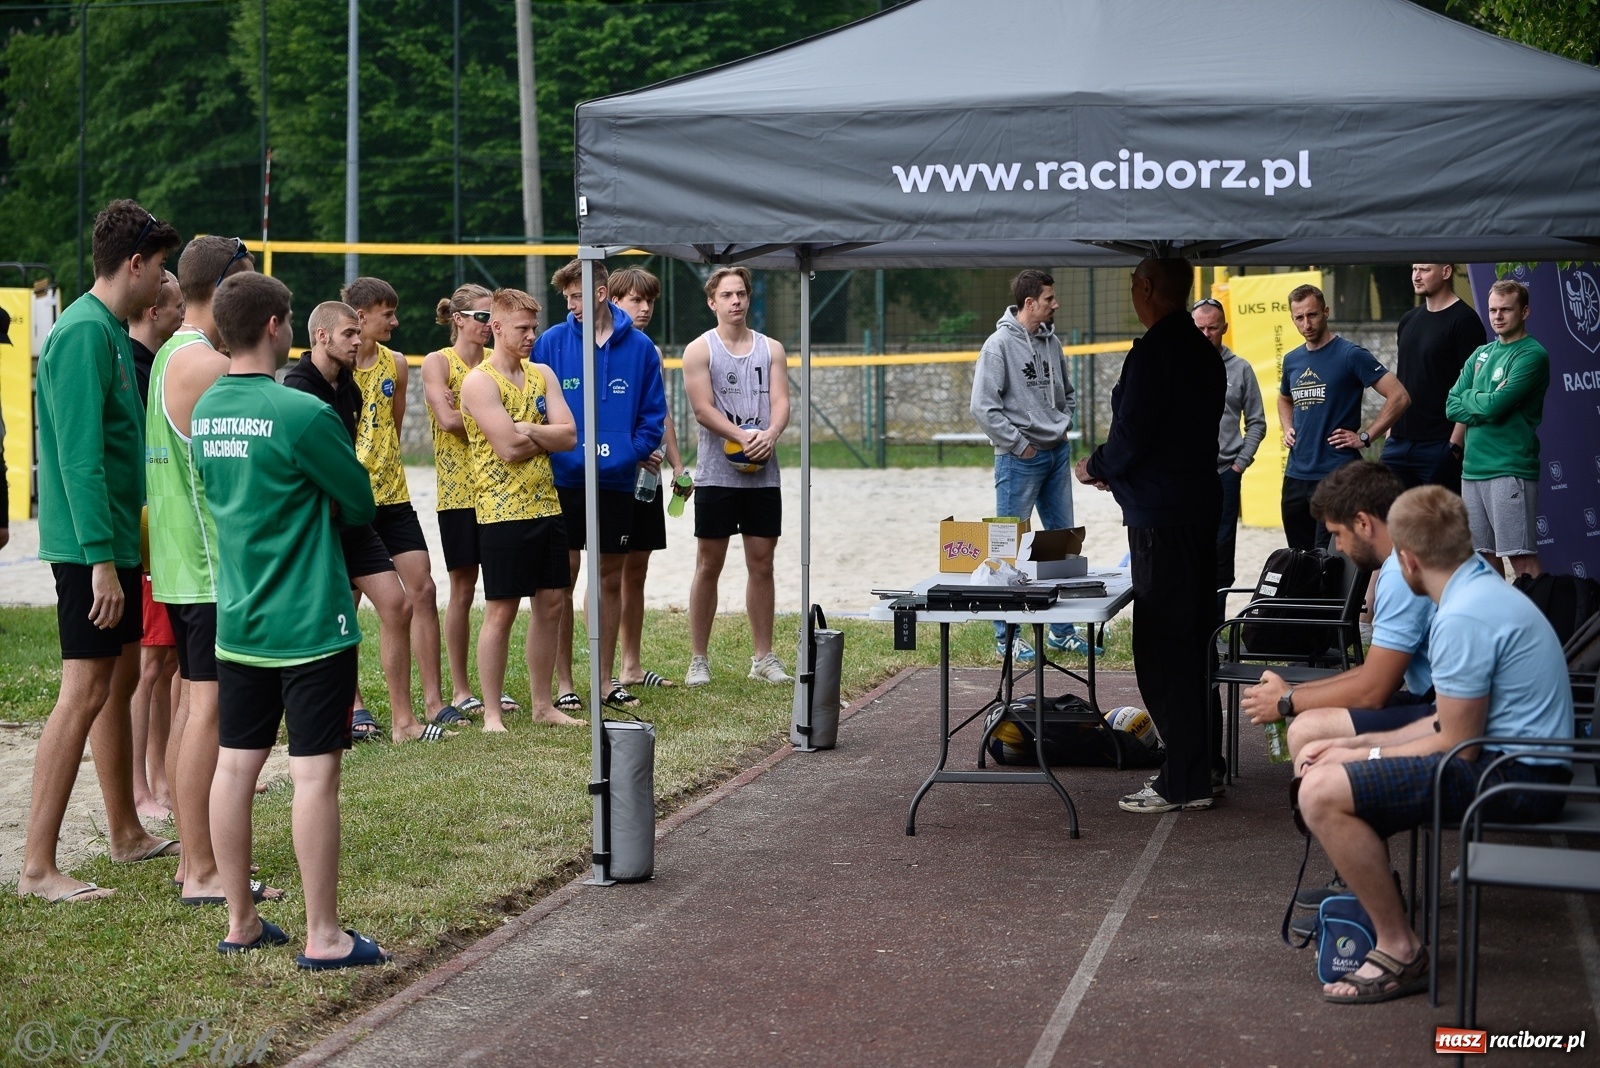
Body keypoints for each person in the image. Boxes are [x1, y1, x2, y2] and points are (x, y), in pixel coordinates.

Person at [1297, 485, 1573, 1003]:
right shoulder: (1475, 590)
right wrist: (1357, 747)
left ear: (1406, 559)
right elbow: (1445, 724)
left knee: (1321, 792)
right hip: (1509, 761)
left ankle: (1400, 950)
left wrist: (1362, 756)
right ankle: (1377, 914)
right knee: (1333, 766)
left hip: (1520, 779)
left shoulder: (1463, 616)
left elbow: (1457, 746)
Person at [194, 271, 389, 967]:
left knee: (234, 768)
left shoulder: (207, 410)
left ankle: (240, 922)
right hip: (309, 621)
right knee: (314, 776)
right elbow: (360, 502)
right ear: (276, 327)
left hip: (239, 619)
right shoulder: (300, 412)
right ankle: (324, 936)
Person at [20, 199, 182, 903]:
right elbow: (78, 459)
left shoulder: (111, 331)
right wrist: (100, 563)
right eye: (161, 267)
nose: (165, 281)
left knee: (116, 684)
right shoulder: (82, 333)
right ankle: (36, 868)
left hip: (114, 541)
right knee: (84, 690)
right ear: (134, 264)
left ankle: (125, 832)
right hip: (89, 552)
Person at [147, 235, 281, 905]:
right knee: (207, 711)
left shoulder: (173, 352)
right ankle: (201, 868)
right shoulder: (203, 363)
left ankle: (191, 858)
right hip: (204, 564)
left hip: (183, 561)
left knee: (193, 707)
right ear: (226, 287)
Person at [1076, 257, 1224, 812]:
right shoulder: (1205, 351)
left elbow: (1132, 435)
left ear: (1145, 287)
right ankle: (1204, 765)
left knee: (1164, 648)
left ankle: (1184, 779)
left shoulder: (1155, 351)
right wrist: (1118, 469)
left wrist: (1096, 466)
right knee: (1194, 639)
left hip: (1161, 516)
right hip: (1196, 506)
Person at [285, 302, 448, 742]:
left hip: (354, 517)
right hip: (318, 522)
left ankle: (405, 723)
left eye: (359, 333)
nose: (358, 341)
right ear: (321, 337)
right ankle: (341, 715)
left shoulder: (350, 387)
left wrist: (349, 500)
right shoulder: (298, 389)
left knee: (398, 605)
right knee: (331, 619)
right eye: (348, 334)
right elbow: (294, 461)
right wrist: (325, 499)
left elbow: (346, 456)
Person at [537, 260, 668, 710]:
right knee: (563, 579)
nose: (571, 305)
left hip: (616, 481)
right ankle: (565, 684)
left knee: (610, 578)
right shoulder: (551, 343)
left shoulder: (642, 347)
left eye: (577, 296)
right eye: (567, 298)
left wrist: (630, 452)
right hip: (564, 478)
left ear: (599, 293)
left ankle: (606, 679)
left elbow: (653, 415)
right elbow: (536, 405)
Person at [1240, 462, 1435, 755]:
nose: (1339, 547)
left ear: (1363, 523)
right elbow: (1377, 676)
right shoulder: (1410, 553)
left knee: (1308, 733)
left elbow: (1374, 691)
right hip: (1438, 701)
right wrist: (1294, 692)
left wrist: (1287, 699)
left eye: (1338, 534)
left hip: (1447, 713)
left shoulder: (1400, 574)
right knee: (1311, 725)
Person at [460, 288, 582, 731]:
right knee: (501, 610)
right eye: (522, 328)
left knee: (551, 604)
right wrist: (542, 435)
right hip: (501, 510)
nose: (532, 335)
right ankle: (492, 713)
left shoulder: (542, 373)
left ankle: (542, 704)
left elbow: (570, 435)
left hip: (546, 504)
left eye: (534, 327)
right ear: (496, 327)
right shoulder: (479, 381)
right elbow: (507, 449)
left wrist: (528, 427)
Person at [341, 277, 452, 722]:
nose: (395, 321)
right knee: (348, 603)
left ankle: (434, 702)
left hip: (393, 497)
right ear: (360, 316)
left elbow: (393, 424)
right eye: (387, 314)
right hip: (352, 503)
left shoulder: (397, 364)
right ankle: (353, 705)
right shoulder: (334, 367)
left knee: (423, 589)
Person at [681, 266, 793, 687]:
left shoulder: (771, 348)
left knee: (762, 562)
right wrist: (742, 437)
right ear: (712, 302)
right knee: (708, 563)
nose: (736, 301)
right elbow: (702, 410)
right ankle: (698, 659)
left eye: (741, 293)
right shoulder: (699, 350)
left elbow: (781, 402)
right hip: (716, 475)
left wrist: (771, 434)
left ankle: (763, 657)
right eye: (727, 295)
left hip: (763, 473)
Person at [970, 269, 1088, 663]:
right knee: (1007, 547)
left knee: (1061, 543)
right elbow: (982, 407)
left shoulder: (1052, 342)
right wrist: (1020, 445)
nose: (1056, 304)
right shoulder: (998, 345)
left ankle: (1061, 632)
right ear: (1030, 302)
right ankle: (1006, 637)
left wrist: (1061, 424)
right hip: (1019, 458)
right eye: (1050, 298)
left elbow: (1068, 393)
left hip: (1056, 453)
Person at [1278, 284, 1409, 551]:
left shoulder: (1350, 354)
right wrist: (1287, 426)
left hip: (1336, 474)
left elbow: (1399, 396)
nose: (1306, 324)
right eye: (1299, 318)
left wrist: (1366, 436)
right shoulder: (1292, 360)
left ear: (1326, 312)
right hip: (1296, 474)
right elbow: (1284, 398)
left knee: (1327, 559)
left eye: (1312, 315)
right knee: (1298, 557)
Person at [608, 265, 689, 689]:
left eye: (650, 300)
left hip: (649, 473)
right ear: (613, 300)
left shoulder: (650, 351)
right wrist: (632, 454)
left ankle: (631, 666)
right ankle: (603, 672)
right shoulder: (598, 347)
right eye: (636, 299)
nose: (645, 308)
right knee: (608, 570)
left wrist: (677, 464)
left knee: (637, 568)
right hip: (614, 473)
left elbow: (660, 414)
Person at [1445, 278, 1549, 580]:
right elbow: (1451, 405)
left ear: (1525, 312)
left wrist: (1477, 401)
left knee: (1521, 559)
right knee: (1482, 558)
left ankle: (1537, 612)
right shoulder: (1481, 353)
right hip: (1472, 471)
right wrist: (1485, 400)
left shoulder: (1532, 354)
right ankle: (1498, 611)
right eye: (1493, 310)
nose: (1498, 316)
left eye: (1506, 309)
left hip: (1509, 469)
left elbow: (1493, 407)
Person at [423, 284, 494, 716]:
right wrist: (495, 417)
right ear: (459, 319)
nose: (489, 325)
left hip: (499, 490)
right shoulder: (439, 362)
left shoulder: (496, 362)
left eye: (492, 318)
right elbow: (448, 421)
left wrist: (469, 412)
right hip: (458, 493)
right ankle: (461, 689)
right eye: (482, 317)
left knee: (501, 593)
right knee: (463, 589)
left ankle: (491, 687)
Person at [128, 268, 183, 822]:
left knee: (166, 662)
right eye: (177, 307)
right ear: (154, 311)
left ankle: (164, 774)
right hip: (146, 527)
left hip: (164, 526)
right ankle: (140, 787)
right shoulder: (135, 365)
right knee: (148, 665)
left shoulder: (163, 362)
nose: (184, 315)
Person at [1380, 263, 1486, 491]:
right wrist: (1390, 434)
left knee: (1438, 515)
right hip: (1398, 444)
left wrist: (1455, 446)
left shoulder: (1465, 321)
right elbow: (1404, 377)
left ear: (1446, 272)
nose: (1416, 276)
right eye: (1414, 269)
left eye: (1424, 270)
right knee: (1392, 514)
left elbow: (1475, 387)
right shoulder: (1408, 319)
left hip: (1440, 444)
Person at [1192, 297, 1266, 618]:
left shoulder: (1241, 369)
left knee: (1222, 551)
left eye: (1212, 328)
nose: (1206, 334)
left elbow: (1257, 422)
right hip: (1187, 475)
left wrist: (1239, 464)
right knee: (1188, 548)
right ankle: (1191, 626)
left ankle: (1216, 625)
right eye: (1199, 328)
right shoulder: (1179, 366)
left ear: (1224, 327)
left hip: (1225, 474)